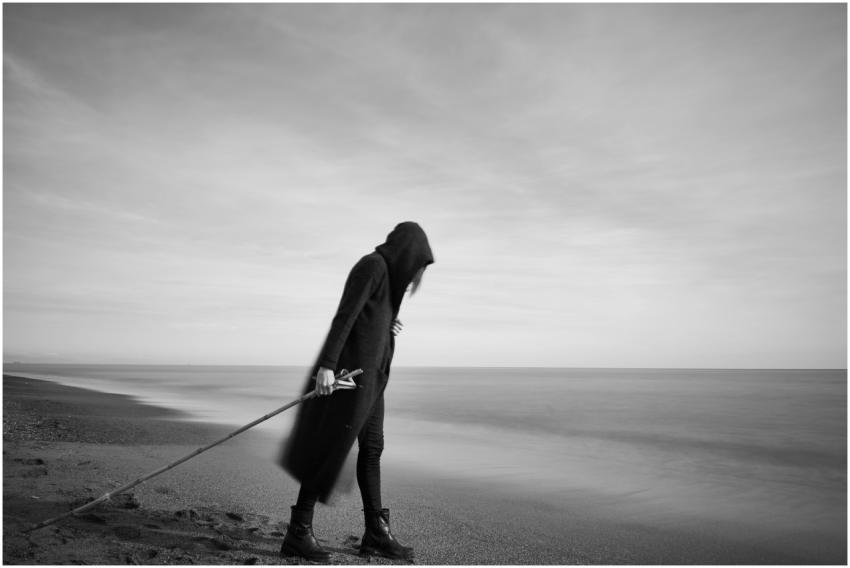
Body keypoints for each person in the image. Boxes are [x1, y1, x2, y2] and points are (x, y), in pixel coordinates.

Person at [279, 221, 434, 562]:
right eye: (416, 268)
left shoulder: (389, 282)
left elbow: (369, 317)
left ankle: (375, 533)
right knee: (329, 447)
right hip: (349, 376)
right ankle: (298, 532)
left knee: (373, 448)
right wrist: (327, 366)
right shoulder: (372, 266)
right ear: (406, 254)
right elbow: (345, 316)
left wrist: (384, 323)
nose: (414, 278)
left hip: (374, 379)